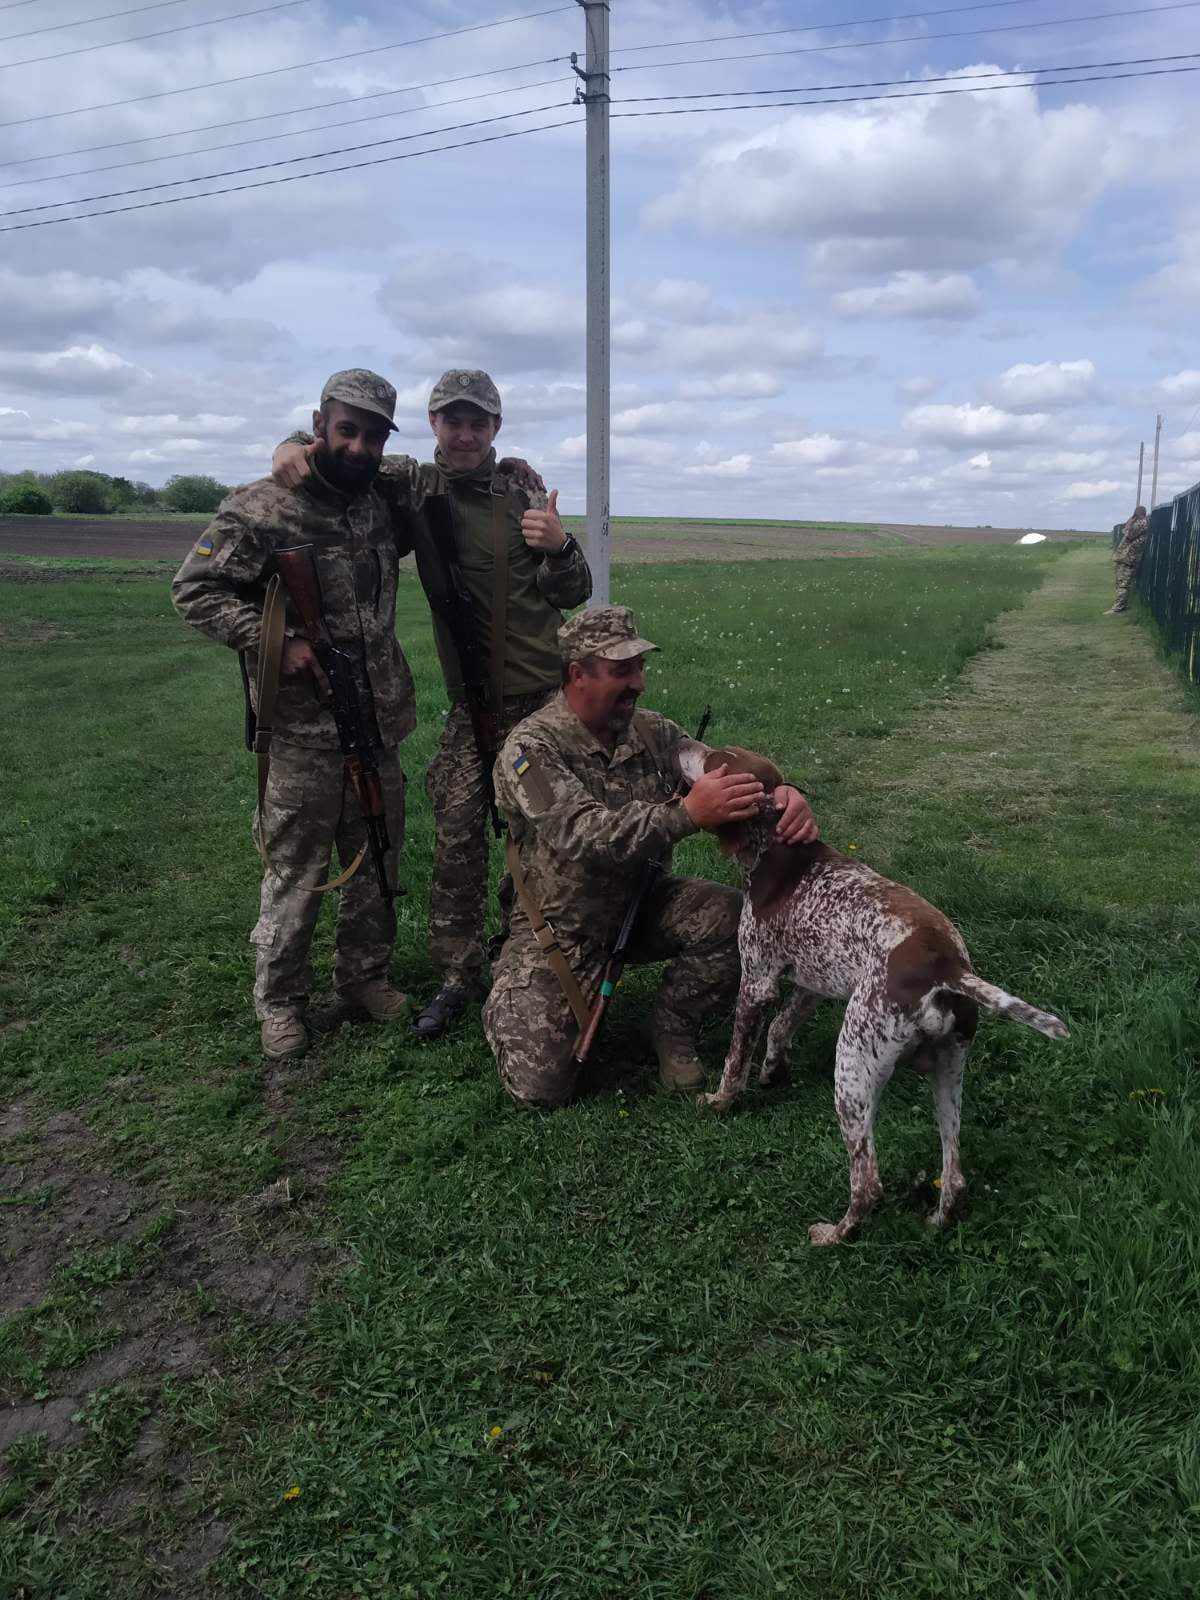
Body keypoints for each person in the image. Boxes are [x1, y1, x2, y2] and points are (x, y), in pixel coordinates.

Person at [271, 370, 591, 1040]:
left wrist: (558, 546)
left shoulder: (524, 491)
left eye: (479, 422)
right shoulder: (412, 485)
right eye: (453, 421)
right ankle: (456, 971)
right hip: (470, 706)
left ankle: (524, 955)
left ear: (496, 429)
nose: (466, 435)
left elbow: (572, 592)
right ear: (434, 425)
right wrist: (291, 444)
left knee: (538, 838)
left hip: (540, 705)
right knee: (456, 839)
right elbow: (341, 462)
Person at [483, 605, 818, 1109]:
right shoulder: (529, 749)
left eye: (640, 667)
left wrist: (781, 792)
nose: (638, 682)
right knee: (541, 1090)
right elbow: (580, 833)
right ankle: (511, 991)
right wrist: (686, 815)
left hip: (641, 905)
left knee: (732, 919)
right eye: (622, 670)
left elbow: (716, 768)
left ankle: (671, 1028)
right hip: (561, 927)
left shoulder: (653, 732)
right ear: (578, 674)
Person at [172, 369, 415, 1060]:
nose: (360, 446)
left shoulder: (378, 498)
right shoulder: (261, 506)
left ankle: (364, 979)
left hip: (377, 718)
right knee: (297, 871)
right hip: (305, 732)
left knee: (376, 860)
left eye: (373, 435)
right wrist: (275, 642)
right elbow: (193, 590)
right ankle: (279, 1002)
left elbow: (432, 472)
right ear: (320, 425)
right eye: (348, 430)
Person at [1105, 503, 1150, 615]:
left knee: (1123, 583)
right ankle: (1120, 605)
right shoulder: (1141, 523)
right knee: (1121, 582)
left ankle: (1118, 608)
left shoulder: (1141, 523)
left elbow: (1129, 534)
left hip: (1128, 557)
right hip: (1127, 556)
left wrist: (1129, 523)